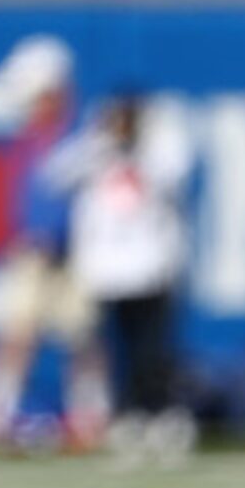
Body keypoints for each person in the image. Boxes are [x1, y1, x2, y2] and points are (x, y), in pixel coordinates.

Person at [0, 35, 107, 447]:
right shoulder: (31, 140)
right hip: (32, 252)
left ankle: (91, 416)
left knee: (83, 338)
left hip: (73, 256)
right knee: (16, 333)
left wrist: (61, 236)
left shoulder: (81, 140)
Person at [68, 93, 195, 465]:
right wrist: (103, 143)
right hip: (111, 273)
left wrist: (138, 146)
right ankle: (128, 414)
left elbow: (174, 174)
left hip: (150, 268)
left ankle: (161, 414)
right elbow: (57, 173)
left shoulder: (158, 151)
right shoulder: (97, 153)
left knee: (153, 350)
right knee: (119, 350)